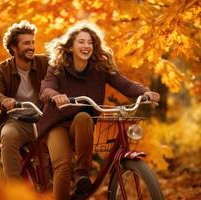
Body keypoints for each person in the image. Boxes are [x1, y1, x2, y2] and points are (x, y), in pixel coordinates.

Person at [37, 22, 160, 200]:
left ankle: (82, 175)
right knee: (62, 166)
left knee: (84, 117)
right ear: (71, 47)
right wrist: (55, 95)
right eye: (81, 42)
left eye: (90, 42)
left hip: (81, 123)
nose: (86, 46)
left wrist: (146, 93)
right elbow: (46, 88)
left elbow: (125, 84)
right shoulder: (58, 68)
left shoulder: (100, 68)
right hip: (57, 124)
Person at [0, 20, 48, 180]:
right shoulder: (3, 69)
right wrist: (5, 100)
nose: (32, 47)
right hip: (16, 121)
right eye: (26, 43)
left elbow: (60, 77)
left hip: (44, 120)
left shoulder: (44, 63)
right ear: (14, 47)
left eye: (33, 42)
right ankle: (14, 189)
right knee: (8, 135)